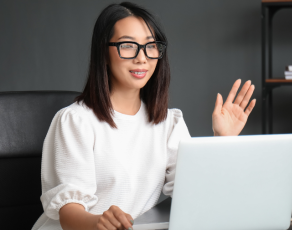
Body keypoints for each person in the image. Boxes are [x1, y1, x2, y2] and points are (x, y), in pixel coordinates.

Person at [32, 2, 255, 230]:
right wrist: (100, 222)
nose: (142, 58)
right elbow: (69, 215)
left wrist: (223, 140)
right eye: (128, 45)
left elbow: (196, 193)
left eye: (150, 46)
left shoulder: (168, 123)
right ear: (104, 53)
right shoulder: (75, 121)